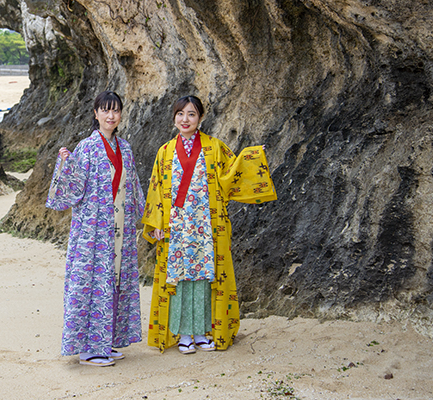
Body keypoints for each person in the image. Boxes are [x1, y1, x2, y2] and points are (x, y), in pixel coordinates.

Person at [141, 95, 277, 354]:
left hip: (206, 224)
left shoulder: (214, 147)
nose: (185, 119)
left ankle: (203, 331)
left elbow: (232, 173)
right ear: (174, 117)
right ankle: (183, 334)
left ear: (201, 118)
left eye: (191, 114)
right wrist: (156, 222)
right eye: (180, 114)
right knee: (179, 277)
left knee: (206, 277)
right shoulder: (165, 151)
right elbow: (156, 188)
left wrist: (253, 157)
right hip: (176, 226)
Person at [46, 91, 145, 367]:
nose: (110, 116)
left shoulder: (125, 148)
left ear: (121, 114)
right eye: (105, 110)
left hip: (120, 225)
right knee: (91, 281)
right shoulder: (87, 147)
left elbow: (133, 184)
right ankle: (88, 348)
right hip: (93, 228)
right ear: (96, 114)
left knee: (114, 280)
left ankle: (105, 341)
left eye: (115, 111)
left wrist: (146, 216)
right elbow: (73, 188)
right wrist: (66, 163)